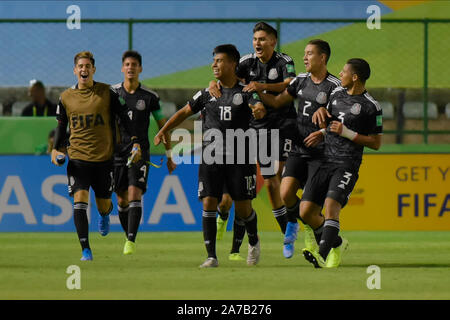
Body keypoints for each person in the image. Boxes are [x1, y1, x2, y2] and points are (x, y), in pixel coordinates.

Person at [154, 44, 266, 268]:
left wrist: (259, 109)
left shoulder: (245, 92)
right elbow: (183, 112)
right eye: (213, 60)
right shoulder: (207, 93)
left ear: (233, 64)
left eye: (219, 60)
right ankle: (211, 256)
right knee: (209, 202)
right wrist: (164, 129)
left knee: (244, 209)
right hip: (211, 158)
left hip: (240, 159)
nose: (214, 64)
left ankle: (253, 242)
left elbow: (259, 106)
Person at [210, 21, 297, 257]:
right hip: (256, 127)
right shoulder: (246, 62)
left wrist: (261, 86)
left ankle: (295, 228)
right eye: (255, 39)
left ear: (273, 41)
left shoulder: (284, 61)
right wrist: (213, 83)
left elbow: (290, 84)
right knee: (267, 183)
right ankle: (287, 233)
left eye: (262, 39)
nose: (257, 43)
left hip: (283, 124)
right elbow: (227, 78)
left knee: (280, 174)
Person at [51, 51, 141, 261]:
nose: (84, 70)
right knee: (79, 199)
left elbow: (125, 119)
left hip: (103, 160)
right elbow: (61, 125)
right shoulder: (65, 98)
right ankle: (86, 249)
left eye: (87, 66)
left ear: (93, 69)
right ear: (75, 70)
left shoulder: (107, 93)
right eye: (80, 66)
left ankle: (104, 214)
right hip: (78, 159)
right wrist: (56, 149)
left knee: (103, 204)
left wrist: (135, 141)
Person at [257, 39, 340, 258]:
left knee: (309, 208)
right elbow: (277, 102)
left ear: (322, 58)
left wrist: (323, 131)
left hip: (321, 155)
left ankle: (327, 239)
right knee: (285, 193)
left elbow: (343, 122)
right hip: (298, 148)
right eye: (304, 53)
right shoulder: (301, 81)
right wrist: (257, 90)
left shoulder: (335, 86)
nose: (304, 57)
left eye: (310, 53)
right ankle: (308, 230)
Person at [302, 58, 382, 268]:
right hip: (325, 160)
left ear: (354, 77)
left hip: (347, 164)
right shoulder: (336, 94)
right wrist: (321, 130)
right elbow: (332, 122)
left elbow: (376, 143)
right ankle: (336, 244)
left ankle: (322, 254)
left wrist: (348, 133)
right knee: (306, 212)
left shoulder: (371, 106)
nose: (340, 73)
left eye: (344, 71)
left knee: (331, 206)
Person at [111, 50, 176, 255]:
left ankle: (131, 240)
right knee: (121, 200)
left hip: (141, 153)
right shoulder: (113, 94)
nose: (130, 68)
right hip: (117, 153)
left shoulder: (149, 97)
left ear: (140, 69)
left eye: (134, 65)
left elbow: (162, 127)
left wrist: (169, 155)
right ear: (122, 68)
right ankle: (128, 235)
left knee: (134, 193)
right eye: (127, 64)